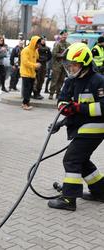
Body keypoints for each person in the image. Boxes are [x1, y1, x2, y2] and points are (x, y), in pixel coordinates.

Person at [48, 42, 104, 211]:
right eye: (69, 64)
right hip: (79, 127)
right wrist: (63, 114)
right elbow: (62, 102)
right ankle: (100, 192)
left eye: (74, 64)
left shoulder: (98, 81)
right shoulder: (71, 81)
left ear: (85, 64)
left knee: (71, 159)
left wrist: (79, 107)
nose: (70, 68)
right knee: (82, 160)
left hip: (95, 127)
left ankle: (68, 199)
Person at [19, 36, 41, 110]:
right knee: (27, 89)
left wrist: (37, 50)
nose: (39, 45)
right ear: (34, 43)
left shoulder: (35, 50)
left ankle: (25, 102)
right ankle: (25, 103)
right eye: (38, 43)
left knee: (30, 89)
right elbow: (25, 62)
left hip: (32, 73)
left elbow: (36, 58)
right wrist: (35, 65)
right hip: (25, 73)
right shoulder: (26, 50)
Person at [49, 29, 70, 100]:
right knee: (55, 80)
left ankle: (58, 93)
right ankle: (51, 93)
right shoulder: (57, 44)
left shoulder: (68, 44)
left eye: (66, 35)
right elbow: (54, 54)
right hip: (57, 65)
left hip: (64, 65)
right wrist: (61, 55)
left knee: (61, 80)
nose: (64, 36)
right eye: (63, 35)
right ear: (60, 36)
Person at [33, 35, 52, 99]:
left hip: (44, 65)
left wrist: (45, 59)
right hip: (38, 64)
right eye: (42, 39)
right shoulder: (37, 47)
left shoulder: (47, 48)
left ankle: (38, 92)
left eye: (44, 39)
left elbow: (50, 56)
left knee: (42, 79)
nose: (43, 41)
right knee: (37, 79)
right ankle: (35, 93)